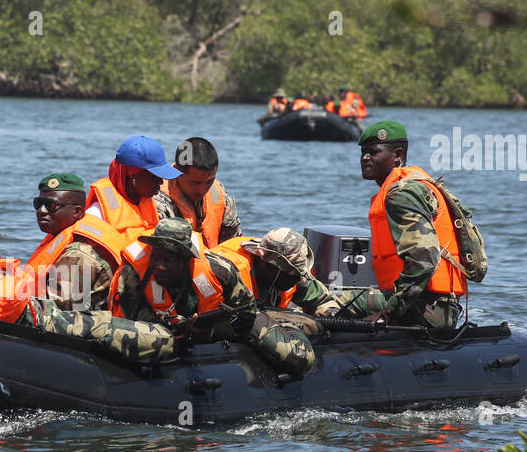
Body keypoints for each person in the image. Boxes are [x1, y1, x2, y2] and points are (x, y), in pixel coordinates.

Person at [110, 218, 318, 374]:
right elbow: (132, 320)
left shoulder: (220, 272)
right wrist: (176, 330)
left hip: (221, 323)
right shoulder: (134, 273)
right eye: (156, 257)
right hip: (164, 331)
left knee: (298, 358)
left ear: (186, 259)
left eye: (169, 259)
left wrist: (211, 332)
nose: (160, 266)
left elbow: (246, 317)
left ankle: (293, 326)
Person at [337, 121, 468, 331]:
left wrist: (389, 312)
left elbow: (424, 258)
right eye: (362, 153)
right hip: (435, 304)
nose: (364, 158)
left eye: (373, 152)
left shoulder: (401, 194)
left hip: (427, 308)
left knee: (331, 304)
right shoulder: (410, 186)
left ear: (397, 155)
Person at [20, 173, 126, 311]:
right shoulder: (63, 237)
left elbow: (54, 311)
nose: (41, 211)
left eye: (51, 205)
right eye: (38, 204)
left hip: (81, 326)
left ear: (77, 211)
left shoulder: (78, 255)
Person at [214, 228, 340, 316]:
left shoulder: (292, 276)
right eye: (292, 273)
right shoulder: (229, 273)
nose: (297, 279)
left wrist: (329, 312)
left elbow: (323, 300)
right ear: (269, 265)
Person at [153, 137, 243, 249]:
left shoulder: (219, 194)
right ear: (176, 172)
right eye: (195, 183)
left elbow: (233, 241)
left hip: (214, 261)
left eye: (209, 182)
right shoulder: (157, 199)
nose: (202, 190)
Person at [85, 135, 178, 242]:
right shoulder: (97, 213)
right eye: (154, 177)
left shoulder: (150, 203)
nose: (161, 182)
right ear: (134, 176)